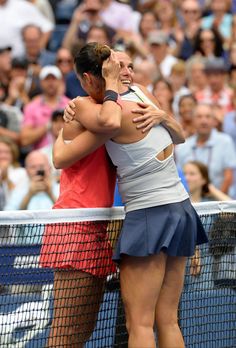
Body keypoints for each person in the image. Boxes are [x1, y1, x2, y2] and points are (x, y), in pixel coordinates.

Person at [51, 42, 208, 348]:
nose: (126, 72)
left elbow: (65, 154)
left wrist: (160, 115)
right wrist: (162, 116)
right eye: (118, 66)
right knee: (168, 319)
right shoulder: (142, 94)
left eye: (128, 66)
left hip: (150, 214)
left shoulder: (101, 108)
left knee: (139, 325)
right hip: (180, 209)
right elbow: (180, 136)